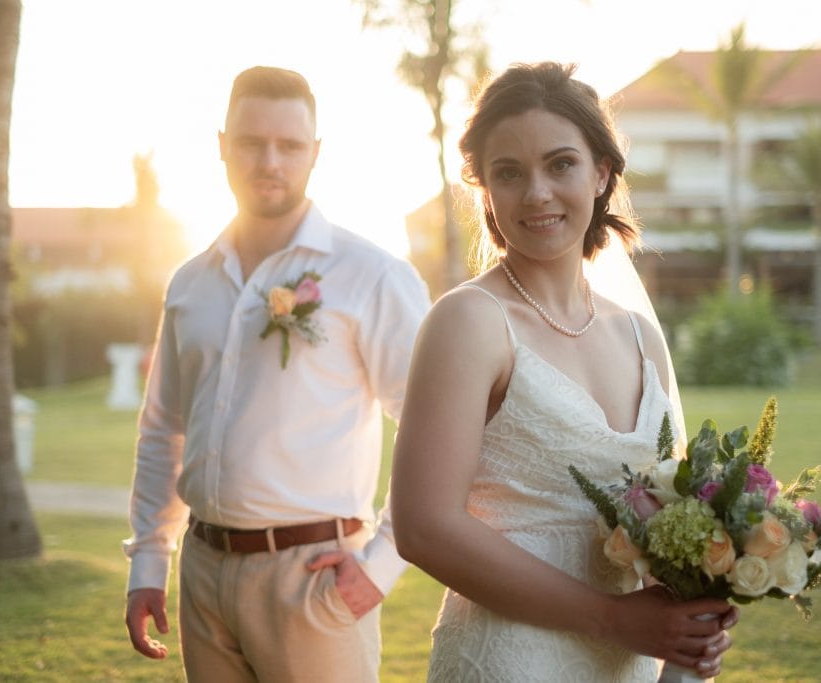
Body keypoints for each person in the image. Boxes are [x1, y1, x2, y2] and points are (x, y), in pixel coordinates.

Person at [391, 62, 738, 682]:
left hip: (621, 661)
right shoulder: (469, 321)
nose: (536, 193)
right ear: (485, 189)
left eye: (560, 164)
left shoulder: (640, 337)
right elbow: (423, 528)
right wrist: (610, 617)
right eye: (508, 172)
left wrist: (696, 608)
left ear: (602, 172)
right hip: (508, 657)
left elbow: (666, 518)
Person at [122, 65, 430, 682]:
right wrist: (150, 563)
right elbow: (164, 430)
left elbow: (437, 430)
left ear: (315, 154)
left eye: (289, 146)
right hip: (203, 575)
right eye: (250, 143)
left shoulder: (371, 276)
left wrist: (382, 565)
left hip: (314, 579)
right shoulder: (190, 282)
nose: (270, 161)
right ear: (221, 147)